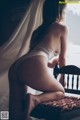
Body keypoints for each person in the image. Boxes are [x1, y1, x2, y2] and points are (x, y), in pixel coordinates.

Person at [8, 0, 68, 120]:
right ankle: (35, 99)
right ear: (61, 10)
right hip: (35, 62)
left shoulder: (38, 31)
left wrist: (53, 61)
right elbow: (63, 58)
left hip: (18, 65)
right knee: (60, 92)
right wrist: (62, 78)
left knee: (15, 114)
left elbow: (40, 57)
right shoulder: (62, 28)